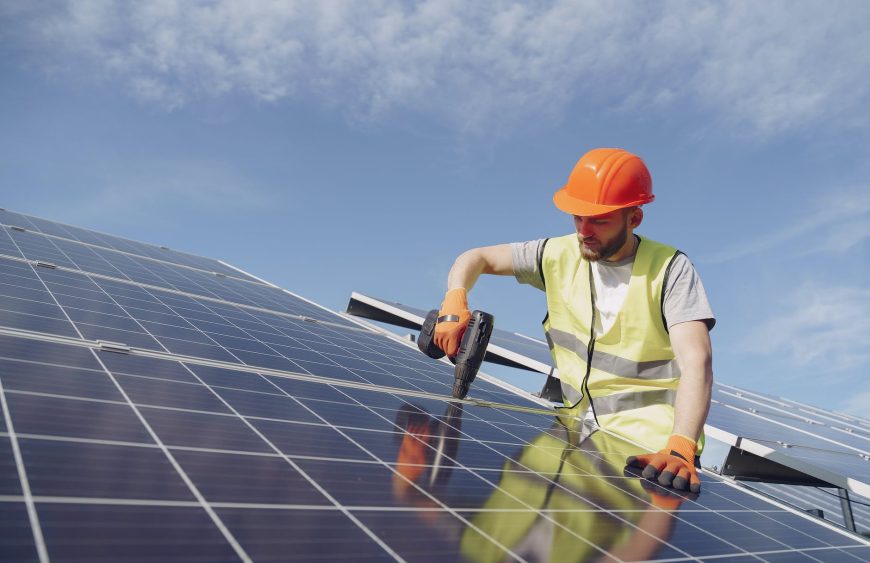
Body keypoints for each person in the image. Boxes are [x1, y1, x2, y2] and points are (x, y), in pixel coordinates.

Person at [432, 148, 714, 493]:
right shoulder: (557, 254)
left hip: (651, 454)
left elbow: (697, 360)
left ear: (634, 218)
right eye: (578, 217)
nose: (584, 230)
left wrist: (681, 445)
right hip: (577, 433)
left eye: (600, 220)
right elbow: (476, 257)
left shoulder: (670, 269)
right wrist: (454, 298)